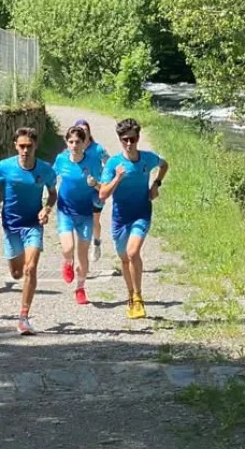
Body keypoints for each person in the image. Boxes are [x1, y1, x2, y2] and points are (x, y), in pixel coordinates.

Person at [0, 126, 58, 335]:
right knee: (17, 273)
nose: (25, 150)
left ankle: (24, 317)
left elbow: (53, 193)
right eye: (22, 146)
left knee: (30, 268)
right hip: (11, 225)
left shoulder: (45, 169)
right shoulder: (5, 167)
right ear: (15, 146)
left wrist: (46, 209)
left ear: (35, 145)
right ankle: (23, 310)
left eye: (29, 146)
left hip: (33, 224)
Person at [98, 118, 168, 319]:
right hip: (120, 218)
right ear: (120, 140)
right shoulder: (113, 163)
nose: (129, 143)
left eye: (133, 139)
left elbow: (164, 165)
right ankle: (130, 295)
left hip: (141, 213)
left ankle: (138, 297)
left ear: (138, 138)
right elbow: (103, 194)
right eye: (125, 140)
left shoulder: (148, 158)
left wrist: (156, 184)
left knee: (133, 252)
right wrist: (117, 178)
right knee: (124, 258)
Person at [53, 126, 105, 306]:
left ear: (84, 143)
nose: (74, 145)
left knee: (83, 256)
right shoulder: (61, 159)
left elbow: (103, 188)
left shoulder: (93, 162)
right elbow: (50, 178)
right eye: (71, 142)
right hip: (65, 211)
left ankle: (80, 289)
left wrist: (95, 183)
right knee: (68, 248)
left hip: (85, 213)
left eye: (78, 142)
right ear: (66, 143)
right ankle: (68, 262)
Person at [75, 119, 110, 262]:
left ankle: (96, 243)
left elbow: (109, 164)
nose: (83, 133)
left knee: (94, 220)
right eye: (80, 130)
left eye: (85, 130)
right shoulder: (74, 148)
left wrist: (104, 180)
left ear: (89, 133)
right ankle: (82, 252)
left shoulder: (98, 149)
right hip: (79, 191)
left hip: (96, 190)